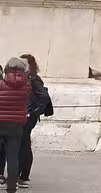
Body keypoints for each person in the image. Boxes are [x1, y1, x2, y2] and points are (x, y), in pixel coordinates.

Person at [17, 54, 50, 189]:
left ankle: (24, 176)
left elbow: (44, 97)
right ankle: (21, 174)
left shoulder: (33, 78)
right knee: (22, 143)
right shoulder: (24, 78)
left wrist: (34, 112)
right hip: (22, 114)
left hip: (29, 116)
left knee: (24, 144)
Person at [0, 58, 31, 193]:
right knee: (13, 156)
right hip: (16, 125)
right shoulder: (27, 86)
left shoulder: (1, 83)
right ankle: (12, 187)